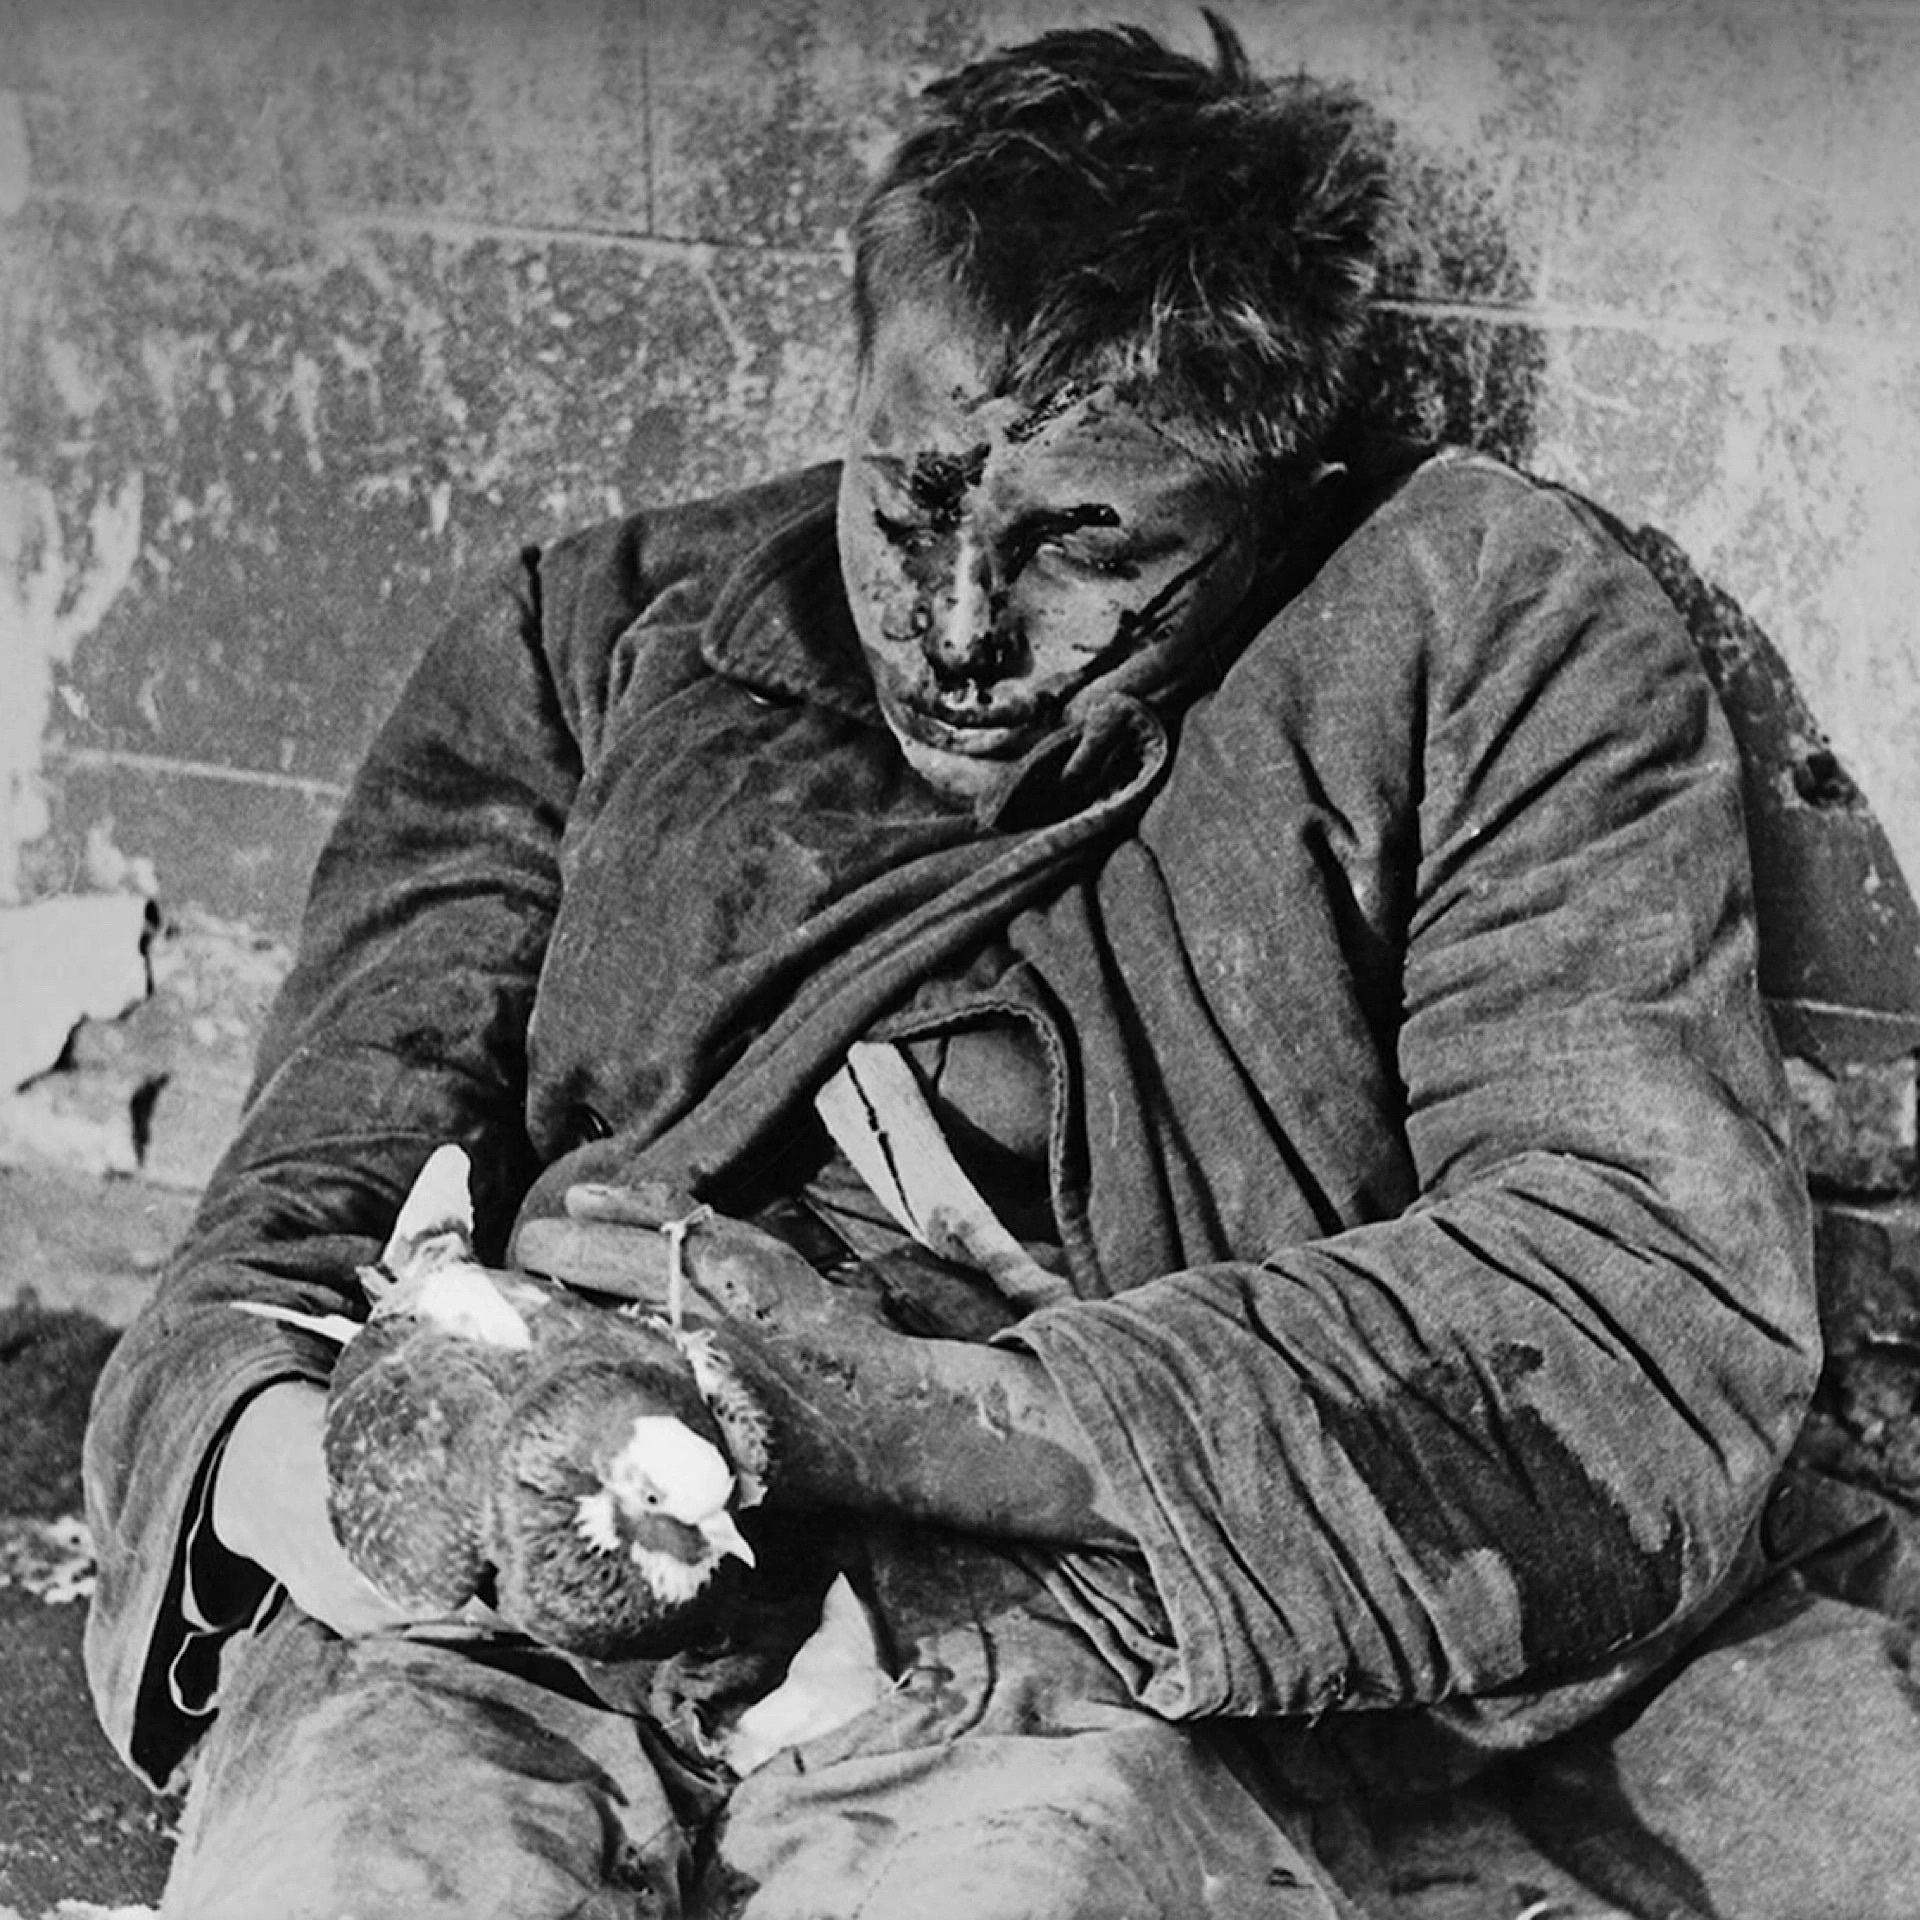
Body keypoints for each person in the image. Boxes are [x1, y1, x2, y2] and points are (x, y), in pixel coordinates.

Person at [81, 18, 1920, 1920]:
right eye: (905, 503)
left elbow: (1626, 1293)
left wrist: (886, 1413)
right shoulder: (595, 637)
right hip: (527, 1584)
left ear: (1277, 487)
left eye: (1084, 544)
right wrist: (385, 1496)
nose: (958, 627)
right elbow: (282, 1233)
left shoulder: (1479, 632)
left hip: (1090, 1610)